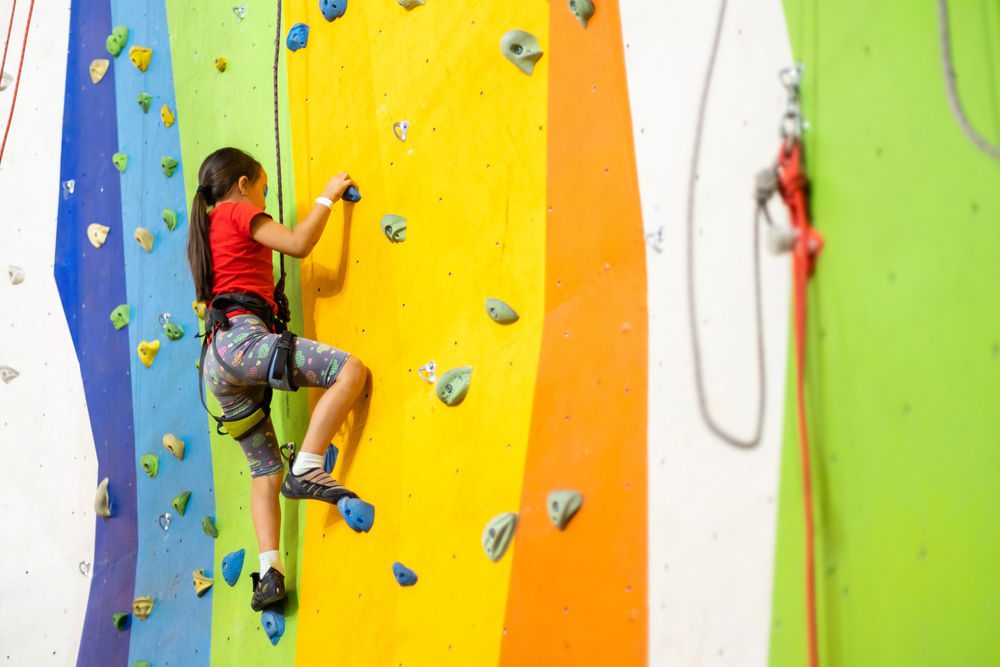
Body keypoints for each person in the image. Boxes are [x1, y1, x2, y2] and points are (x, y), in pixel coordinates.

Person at [187, 147, 370, 612]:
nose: (264, 200)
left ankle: (270, 572)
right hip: (243, 342)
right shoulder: (235, 210)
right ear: (243, 185)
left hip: (217, 361)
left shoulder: (206, 229)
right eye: (263, 190)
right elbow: (299, 243)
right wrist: (328, 197)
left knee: (265, 470)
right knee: (349, 371)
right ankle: (308, 465)